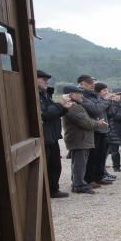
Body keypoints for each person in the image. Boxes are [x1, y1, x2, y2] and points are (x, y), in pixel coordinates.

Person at [37, 70, 68, 198]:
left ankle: (53, 189)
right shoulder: (36, 96)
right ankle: (44, 193)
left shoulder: (45, 95)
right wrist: (59, 104)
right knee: (46, 167)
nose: (46, 82)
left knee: (55, 165)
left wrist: (64, 108)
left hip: (52, 136)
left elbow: (53, 113)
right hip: (45, 136)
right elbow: (44, 114)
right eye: (43, 79)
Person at [60, 85, 97, 195]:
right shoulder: (73, 106)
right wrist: (96, 123)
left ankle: (77, 183)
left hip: (81, 139)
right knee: (79, 163)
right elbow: (86, 123)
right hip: (79, 139)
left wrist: (92, 122)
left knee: (79, 163)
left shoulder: (75, 105)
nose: (81, 96)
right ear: (71, 95)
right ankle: (79, 185)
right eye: (79, 93)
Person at [77, 75, 110, 187]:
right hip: (93, 129)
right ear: (81, 84)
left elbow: (108, 112)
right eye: (90, 83)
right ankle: (89, 179)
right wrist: (105, 101)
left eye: (93, 83)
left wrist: (105, 102)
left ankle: (98, 177)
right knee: (92, 157)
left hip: (102, 129)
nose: (92, 85)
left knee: (101, 156)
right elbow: (96, 110)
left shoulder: (95, 96)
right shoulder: (82, 96)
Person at [106, 89, 121, 171]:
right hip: (114, 129)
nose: (120, 96)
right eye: (118, 94)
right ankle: (116, 166)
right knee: (114, 150)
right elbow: (114, 116)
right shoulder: (111, 104)